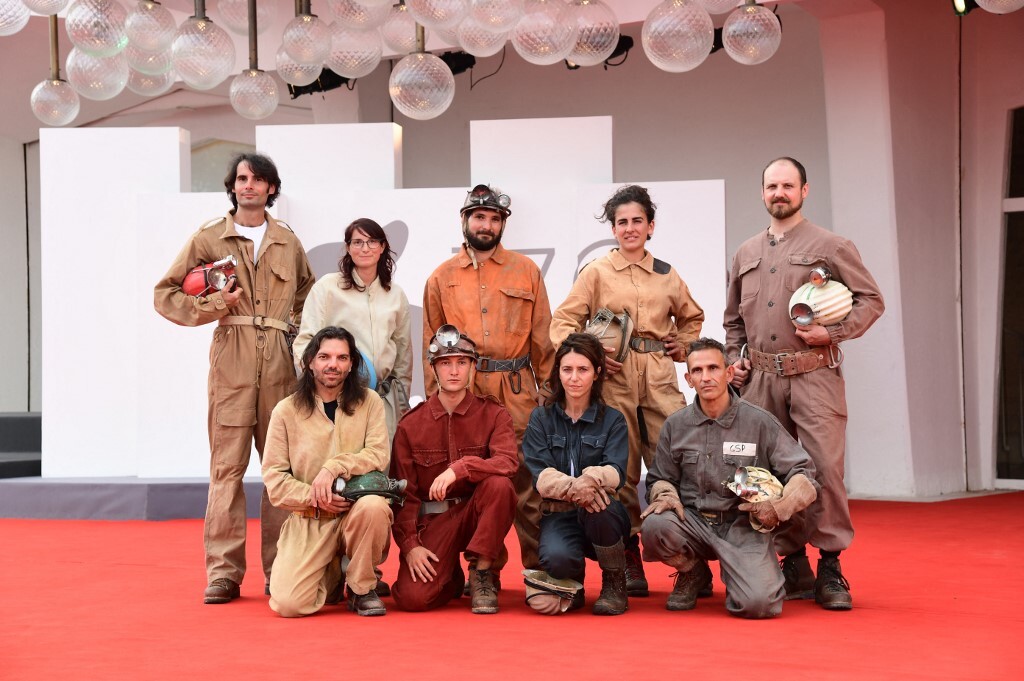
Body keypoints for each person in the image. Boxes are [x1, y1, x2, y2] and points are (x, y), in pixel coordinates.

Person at [723, 157, 884, 610]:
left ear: (804, 191)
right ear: (762, 192)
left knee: (824, 470)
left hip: (814, 374)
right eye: (772, 186)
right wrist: (735, 361)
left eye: (788, 186)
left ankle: (830, 565)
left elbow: (871, 300)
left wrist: (832, 333)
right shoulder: (745, 253)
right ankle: (792, 561)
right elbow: (733, 320)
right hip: (760, 380)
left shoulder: (831, 246)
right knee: (764, 472)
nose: (779, 193)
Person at [154, 152, 315, 604]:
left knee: (281, 471)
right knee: (226, 470)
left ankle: (282, 569)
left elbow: (309, 295)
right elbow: (165, 294)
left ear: (271, 188)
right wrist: (215, 305)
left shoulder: (287, 240)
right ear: (233, 186)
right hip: (231, 364)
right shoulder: (209, 236)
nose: (249, 185)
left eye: (258, 179)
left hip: (281, 367)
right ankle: (224, 573)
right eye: (242, 178)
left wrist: (296, 337)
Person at [550, 184, 704, 596]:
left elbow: (692, 318)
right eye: (622, 222)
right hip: (614, 379)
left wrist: (682, 345)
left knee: (677, 461)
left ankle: (691, 558)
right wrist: (591, 353)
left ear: (650, 226)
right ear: (613, 229)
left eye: (638, 220)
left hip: (658, 377)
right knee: (622, 467)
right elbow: (562, 322)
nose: (630, 228)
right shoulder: (597, 272)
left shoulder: (667, 274)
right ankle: (629, 553)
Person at [422, 184, 555, 573]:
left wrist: (548, 392)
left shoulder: (526, 270)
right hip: (466, 393)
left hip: (517, 391)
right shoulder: (441, 277)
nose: (486, 225)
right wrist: (436, 403)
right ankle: (484, 571)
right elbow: (431, 344)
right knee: (473, 482)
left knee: (528, 483)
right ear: (465, 221)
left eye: (494, 219)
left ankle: (539, 573)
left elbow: (543, 336)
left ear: (502, 225)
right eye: (479, 217)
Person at [641, 338, 819, 619]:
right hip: (693, 522)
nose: (706, 377)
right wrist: (665, 495)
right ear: (689, 380)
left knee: (759, 604)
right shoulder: (676, 425)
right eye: (697, 370)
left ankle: (747, 571)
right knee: (654, 526)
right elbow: (660, 478)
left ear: (729, 373)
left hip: (742, 526)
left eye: (713, 368)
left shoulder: (759, 421)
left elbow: (803, 474)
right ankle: (693, 571)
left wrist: (779, 508)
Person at [262, 326, 393, 617]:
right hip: (309, 519)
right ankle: (333, 575)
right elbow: (275, 478)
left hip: (354, 513)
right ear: (310, 362)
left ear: (352, 364)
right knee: (289, 605)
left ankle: (361, 588)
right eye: (324, 357)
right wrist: (316, 496)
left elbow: (378, 454)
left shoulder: (370, 402)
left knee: (374, 506)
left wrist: (334, 467)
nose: (333, 364)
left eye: (342, 358)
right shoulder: (285, 411)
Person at [390, 325, 518, 614]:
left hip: (477, 516)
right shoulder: (411, 425)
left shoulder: (494, 415)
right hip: (434, 523)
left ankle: (482, 571)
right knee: (412, 599)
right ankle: (450, 577)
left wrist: (461, 468)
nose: (454, 371)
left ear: (473, 367)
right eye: (445, 363)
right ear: (434, 368)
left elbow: (508, 462)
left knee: (500, 486)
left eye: (462, 362)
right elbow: (403, 494)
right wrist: (410, 545)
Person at [522, 333, 631, 616]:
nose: (574, 378)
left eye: (583, 369)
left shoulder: (613, 419)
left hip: (601, 515)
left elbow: (616, 471)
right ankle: (574, 585)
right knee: (556, 559)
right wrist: (576, 488)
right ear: (557, 373)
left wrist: (590, 481)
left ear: (597, 372)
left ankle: (614, 582)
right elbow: (541, 476)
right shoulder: (540, 418)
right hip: (559, 514)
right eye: (567, 369)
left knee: (601, 508)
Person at [293, 218, 413, 439]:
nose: (365, 248)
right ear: (348, 248)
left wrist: (402, 404)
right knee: (340, 457)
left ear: (382, 247)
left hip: (382, 401)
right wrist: (321, 388)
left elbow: (403, 356)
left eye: (372, 241)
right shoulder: (327, 288)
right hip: (339, 398)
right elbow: (305, 342)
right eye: (357, 242)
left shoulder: (396, 295)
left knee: (380, 458)